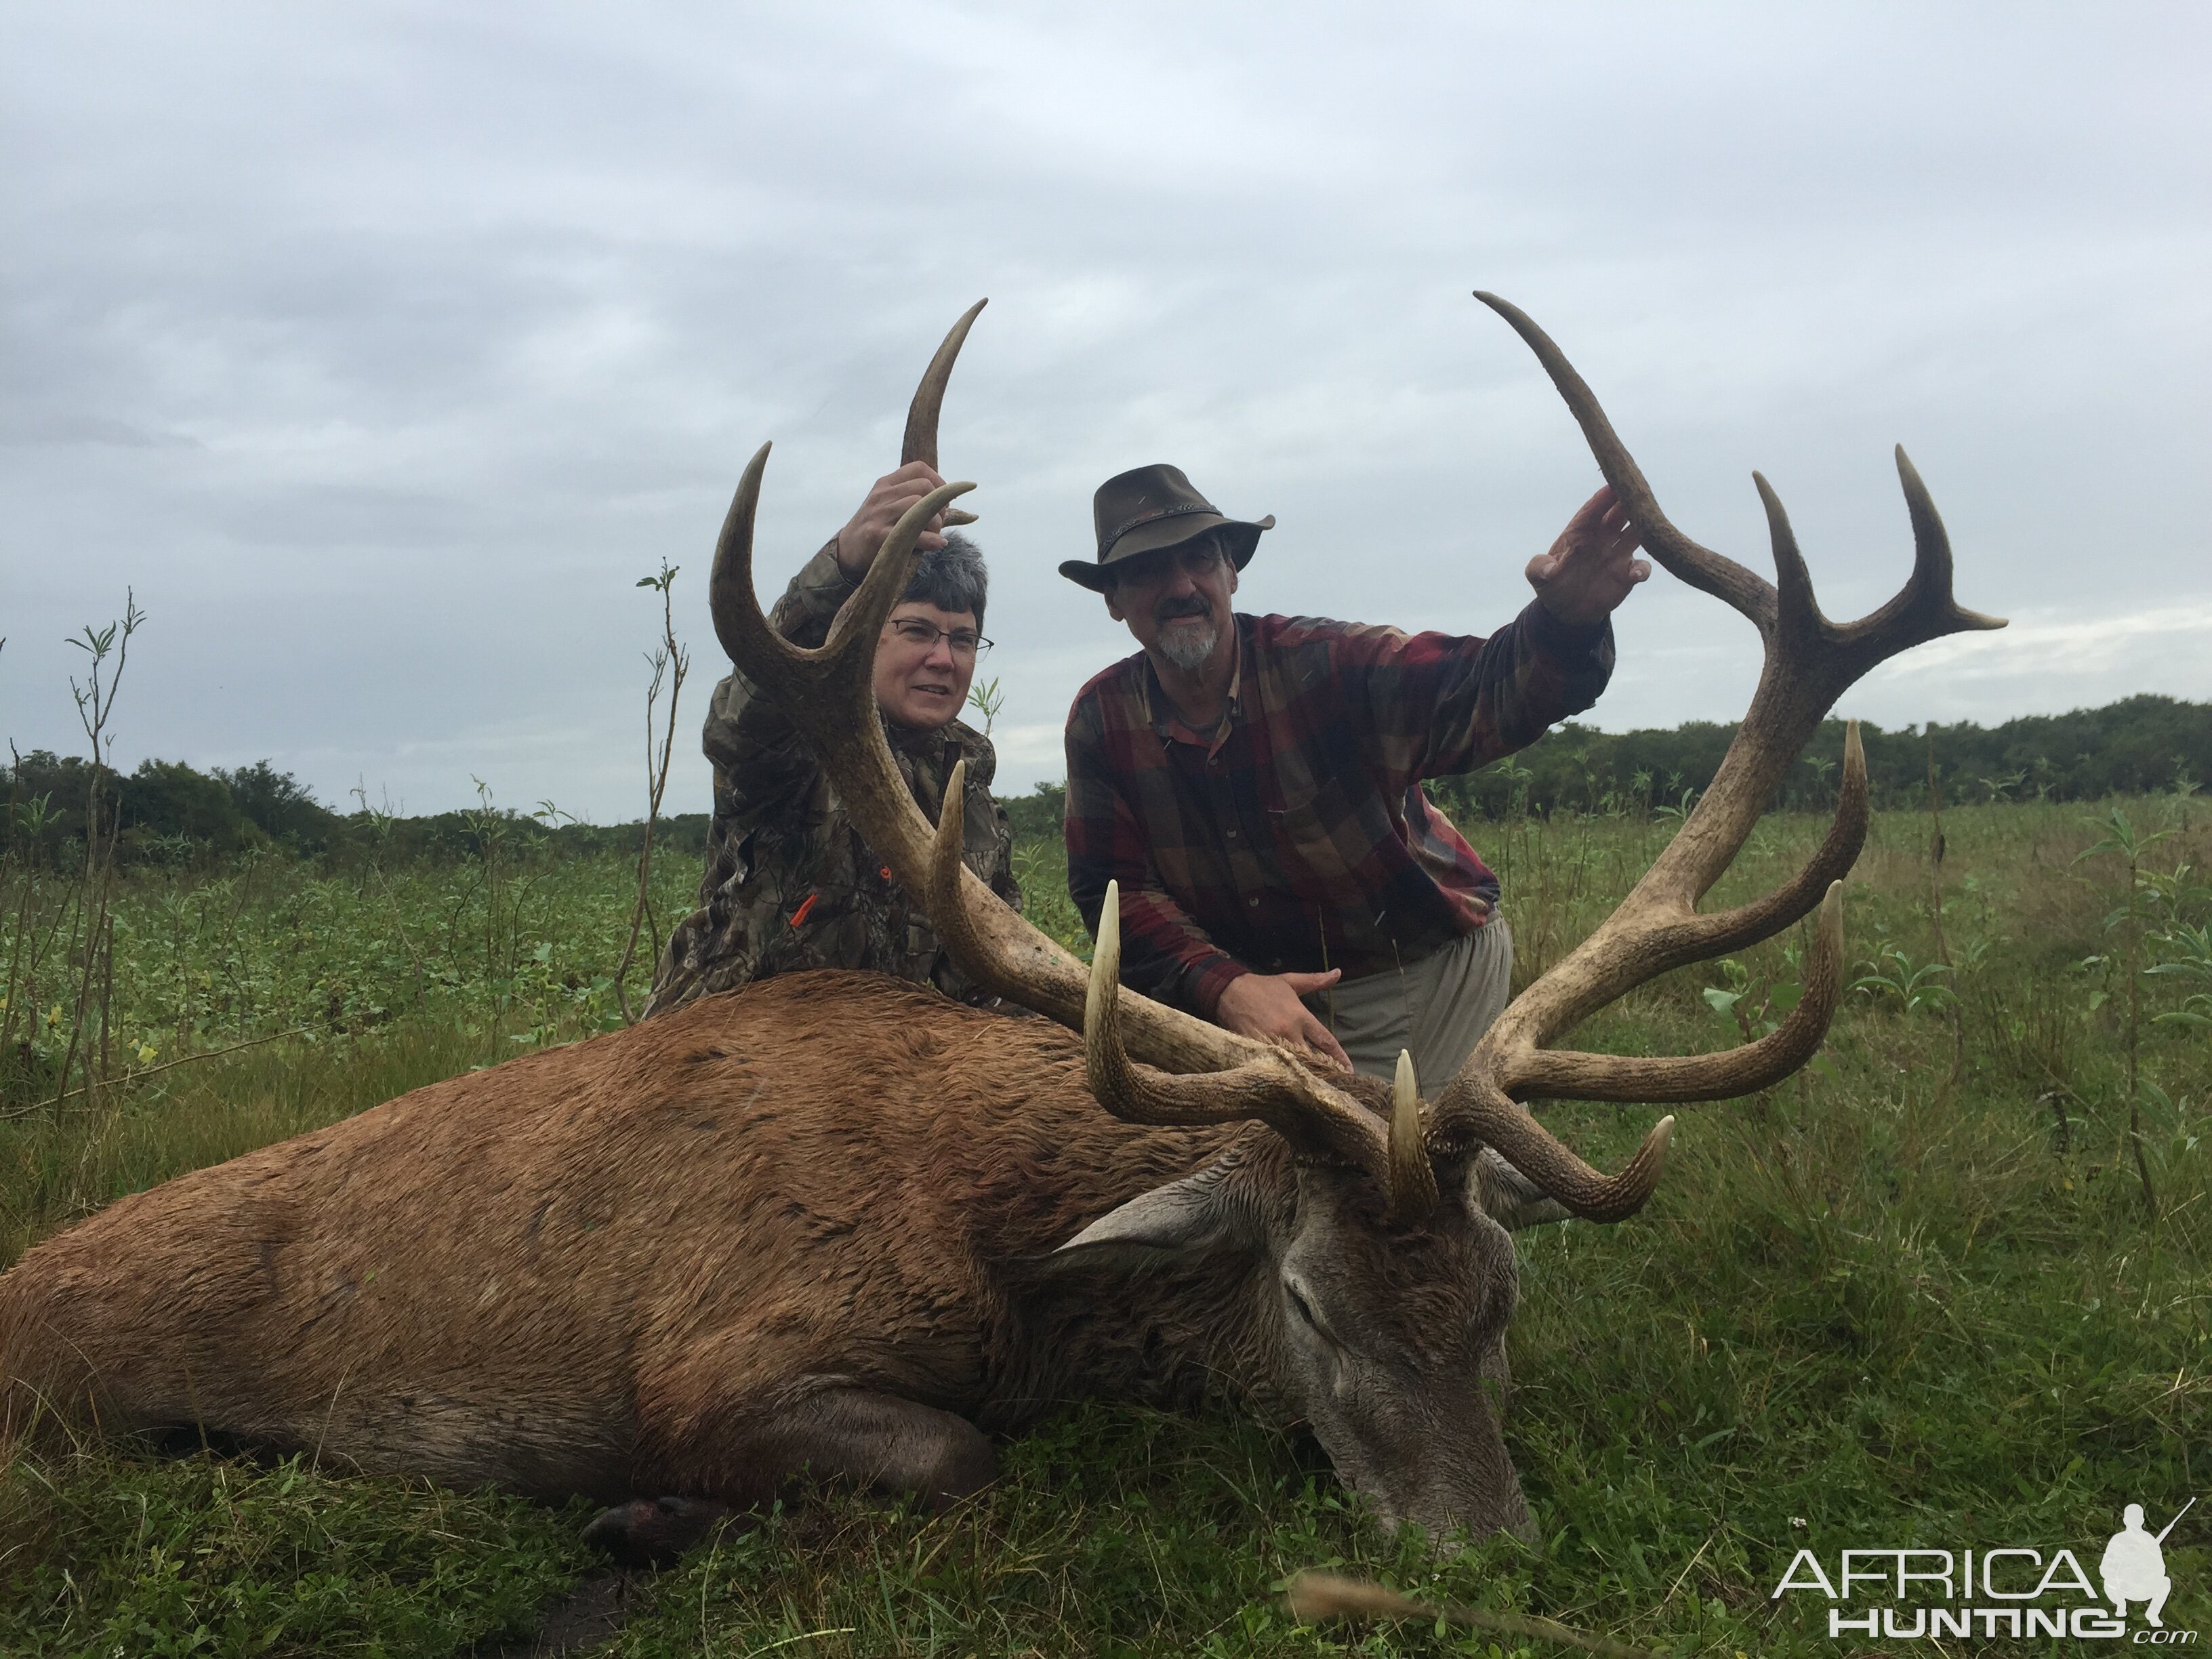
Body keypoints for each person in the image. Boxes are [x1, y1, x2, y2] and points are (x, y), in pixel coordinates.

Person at [1061, 462, 1645, 1084]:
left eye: (1200, 559)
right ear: (1114, 601)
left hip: (1420, 967)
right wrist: (1224, 987)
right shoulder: (1100, 722)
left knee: (1398, 1167)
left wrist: (1563, 628)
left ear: (1231, 571)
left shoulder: (1329, 666)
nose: (1181, 586)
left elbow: (1479, 693)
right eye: (1148, 569)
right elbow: (1116, 893)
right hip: (1258, 996)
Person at [647, 461, 1021, 1016]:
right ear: (867, 634)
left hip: (883, 1061)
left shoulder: (966, 780)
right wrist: (843, 566)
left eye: (963, 640)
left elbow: (992, 967)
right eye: (917, 630)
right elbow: (738, 725)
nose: (943, 659)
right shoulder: (798, 738)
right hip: (724, 1047)